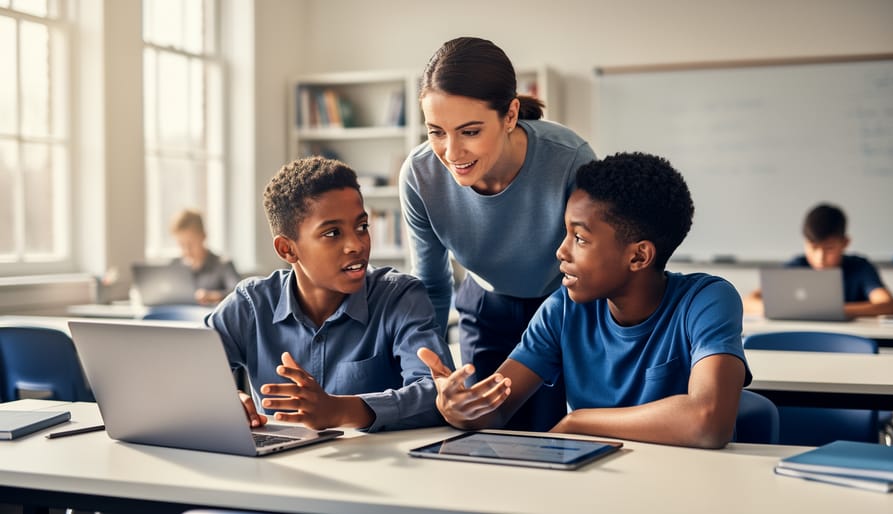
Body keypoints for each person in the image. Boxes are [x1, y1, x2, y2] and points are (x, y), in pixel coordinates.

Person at [418, 152, 752, 449]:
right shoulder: (562, 310)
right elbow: (496, 411)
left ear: (639, 256)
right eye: (565, 233)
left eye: (579, 237)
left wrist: (580, 422)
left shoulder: (707, 300)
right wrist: (458, 407)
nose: (561, 251)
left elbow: (708, 422)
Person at [399, 36, 596, 431]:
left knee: (549, 431)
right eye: (436, 131)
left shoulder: (569, 160)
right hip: (485, 309)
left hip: (563, 306)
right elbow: (433, 286)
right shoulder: (420, 177)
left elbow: (593, 267)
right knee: (480, 430)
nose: (452, 152)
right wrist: (431, 373)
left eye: (469, 131)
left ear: (510, 115)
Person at [206, 156, 455, 432]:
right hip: (274, 468)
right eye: (333, 233)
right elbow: (186, 372)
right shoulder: (250, 305)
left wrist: (341, 411)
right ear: (287, 249)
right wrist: (226, 400)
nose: (356, 245)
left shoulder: (400, 298)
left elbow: (440, 394)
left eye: (362, 227)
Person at [743, 203, 893, 318]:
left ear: (845, 243)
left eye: (829, 248)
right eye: (813, 247)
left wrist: (831, 311)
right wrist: (781, 309)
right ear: (805, 242)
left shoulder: (860, 268)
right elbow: (749, 301)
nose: (820, 257)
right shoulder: (796, 267)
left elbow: (888, 306)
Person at [169, 208, 242, 305]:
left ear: (203, 236)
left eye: (191, 244)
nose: (187, 250)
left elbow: (238, 293)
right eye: (181, 245)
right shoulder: (174, 266)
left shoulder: (223, 264)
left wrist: (212, 296)